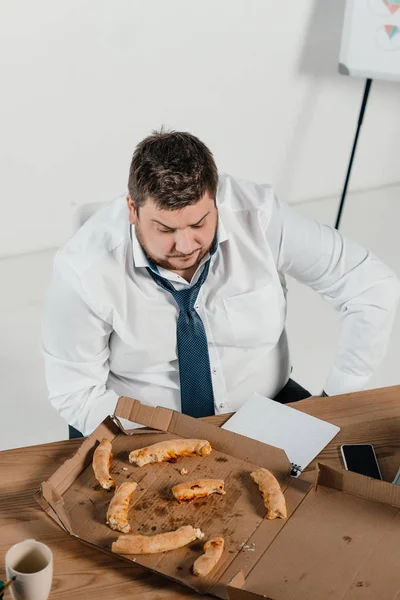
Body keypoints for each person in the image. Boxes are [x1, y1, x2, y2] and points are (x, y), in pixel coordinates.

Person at [41, 129, 400, 438]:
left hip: (265, 410)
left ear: (216, 197)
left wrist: (336, 401)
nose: (184, 246)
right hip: (139, 430)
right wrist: (159, 445)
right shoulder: (82, 267)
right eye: (165, 229)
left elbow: (371, 285)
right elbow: (75, 392)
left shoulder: (257, 216)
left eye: (199, 224)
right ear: (132, 210)